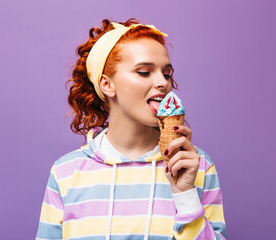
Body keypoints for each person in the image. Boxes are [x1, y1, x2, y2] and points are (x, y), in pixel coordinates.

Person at [36, 18, 226, 240]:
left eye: (166, 74)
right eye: (144, 72)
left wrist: (185, 194)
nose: (163, 83)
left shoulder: (197, 165)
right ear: (107, 84)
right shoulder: (66, 172)